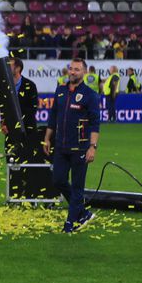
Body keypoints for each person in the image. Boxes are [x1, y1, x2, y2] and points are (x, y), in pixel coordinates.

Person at [42, 57, 100, 233]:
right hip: (60, 146)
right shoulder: (60, 91)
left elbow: (95, 123)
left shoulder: (90, 95)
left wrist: (92, 147)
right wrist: (47, 138)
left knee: (77, 187)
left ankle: (71, 223)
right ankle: (82, 213)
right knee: (58, 180)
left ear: (84, 72)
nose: (73, 72)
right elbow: (53, 117)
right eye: (71, 68)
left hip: (80, 148)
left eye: (77, 69)